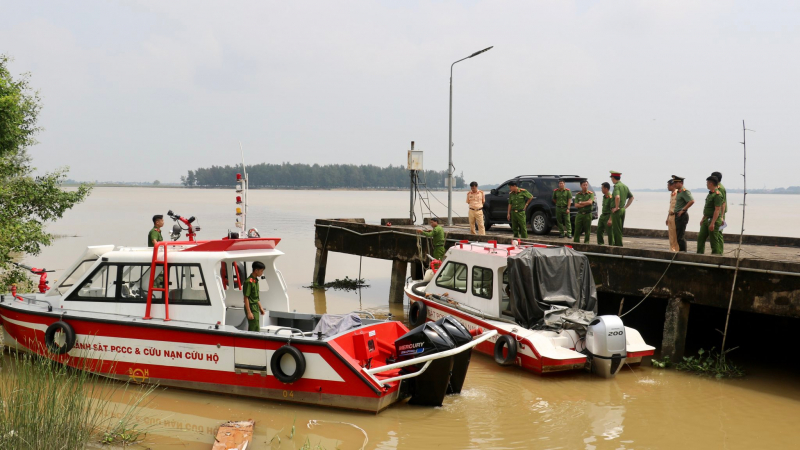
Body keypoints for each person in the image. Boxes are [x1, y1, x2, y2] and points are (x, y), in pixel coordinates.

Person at [697, 176, 724, 255]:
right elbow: (707, 209)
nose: (706, 185)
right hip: (706, 219)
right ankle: (699, 254)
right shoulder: (710, 194)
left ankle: (716, 255)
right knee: (701, 237)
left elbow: (717, 210)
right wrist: (703, 218)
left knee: (713, 240)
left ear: (711, 183)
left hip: (713, 220)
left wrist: (713, 223)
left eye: (707, 183)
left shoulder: (717, 195)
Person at [609, 171, 634, 247]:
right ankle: (619, 245)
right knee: (620, 229)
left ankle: (618, 246)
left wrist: (616, 207)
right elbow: (631, 197)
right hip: (622, 209)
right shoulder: (624, 186)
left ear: (613, 178)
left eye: (611, 178)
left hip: (617, 210)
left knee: (616, 229)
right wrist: (625, 207)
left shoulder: (617, 186)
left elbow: (617, 197)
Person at [672, 175, 695, 252]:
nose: (674, 184)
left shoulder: (685, 191)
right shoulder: (679, 192)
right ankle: (680, 251)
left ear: (681, 183)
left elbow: (691, 201)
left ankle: (683, 252)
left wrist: (683, 210)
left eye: (676, 182)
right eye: (674, 183)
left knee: (680, 236)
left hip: (681, 216)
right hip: (677, 216)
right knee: (678, 235)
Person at [244, 261, 267, 332]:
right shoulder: (249, 282)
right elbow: (246, 298)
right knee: (254, 328)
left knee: (256, 327)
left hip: (255, 307)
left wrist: (260, 308)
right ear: (256, 270)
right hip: (251, 307)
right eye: (261, 271)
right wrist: (249, 312)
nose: (262, 273)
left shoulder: (255, 281)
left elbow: (256, 297)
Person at [666, 179, 679, 252]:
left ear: (673, 185)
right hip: (670, 216)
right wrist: (667, 218)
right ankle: (671, 249)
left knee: (675, 235)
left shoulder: (678, 194)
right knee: (671, 234)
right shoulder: (672, 194)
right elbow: (670, 207)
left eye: (668, 185)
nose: (667, 187)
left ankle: (676, 250)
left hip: (675, 216)